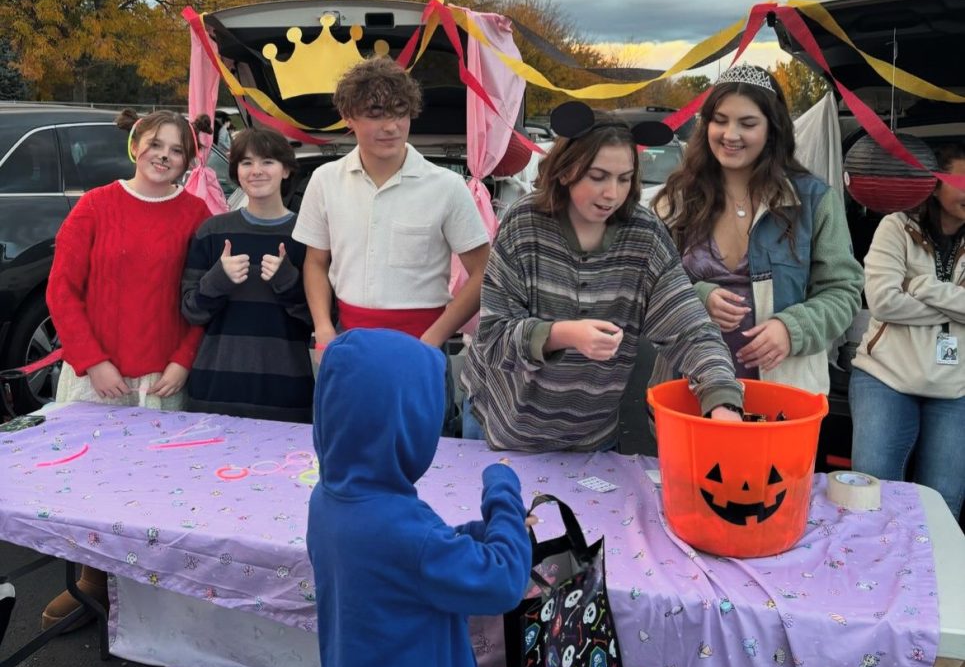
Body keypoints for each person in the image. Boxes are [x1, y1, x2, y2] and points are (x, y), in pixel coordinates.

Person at [307, 328, 531, 667]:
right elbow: (503, 580)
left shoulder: (327, 500)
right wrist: (503, 493)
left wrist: (479, 534)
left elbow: (411, 561)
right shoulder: (405, 532)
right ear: (406, 426)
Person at [461, 103, 745, 453]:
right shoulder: (524, 226)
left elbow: (690, 328)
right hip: (504, 427)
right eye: (598, 177)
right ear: (565, 172)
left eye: (624, 178)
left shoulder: (646, 237)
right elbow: (493, 336)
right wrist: (561, 335)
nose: (612, 193)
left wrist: (722, 400)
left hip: (590, 438)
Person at [43, 108, 212, 630]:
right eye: (156, 144)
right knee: (91, 485)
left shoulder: (197, 214)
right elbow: (62, 291)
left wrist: (183, 360)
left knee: (157, 490)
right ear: (137, 147)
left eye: (176, 148)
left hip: (161, 380)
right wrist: (93, 362)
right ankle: (90, 579)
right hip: (100, 381)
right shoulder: (95, 206)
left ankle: (145, 593)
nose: (164, 155)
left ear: (188, 159)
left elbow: (200, 299)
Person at [292, 56, 490, 432]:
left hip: (422, 346)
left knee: (427, 462)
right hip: (348, 343)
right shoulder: (324, 180)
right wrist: (324, 329)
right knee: (346, 453)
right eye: (376, 113)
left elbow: (484, 272)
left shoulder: (445, 187)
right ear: (349, 116)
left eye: (401, 112)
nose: (391, 126)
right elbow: (315, 262)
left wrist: (432, 339)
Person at [651, 64, 863, 393]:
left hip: (783, 393)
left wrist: (792, 329)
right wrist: (699, 296)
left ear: (772, 129)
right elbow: (649, 287)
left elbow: (843, 293)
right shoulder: (677, 199)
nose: (730, 135)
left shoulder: (813, 201)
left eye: (747, 124)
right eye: (719, 121)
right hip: (688, 386)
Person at [849, 143, 965, 517]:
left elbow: (900, 298)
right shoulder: (896, 225)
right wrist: (953, 303)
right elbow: (883, 302)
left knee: (943, 500)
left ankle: (928, 575)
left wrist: (921, 287)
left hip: (955, 386)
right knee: (871, 490)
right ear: (935, 184)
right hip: (885, 376)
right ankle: (869, 570)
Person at [181, 127, 314, 422]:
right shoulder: (212, 232)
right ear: (236, 172)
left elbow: (321, 319)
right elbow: (191, 311)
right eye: (246, 163)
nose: (257, 171)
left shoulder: (307, 236)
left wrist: (289, 283)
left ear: (286, 170)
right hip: (215, 390)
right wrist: (217, 281)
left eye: (268, 162)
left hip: (287, 393)